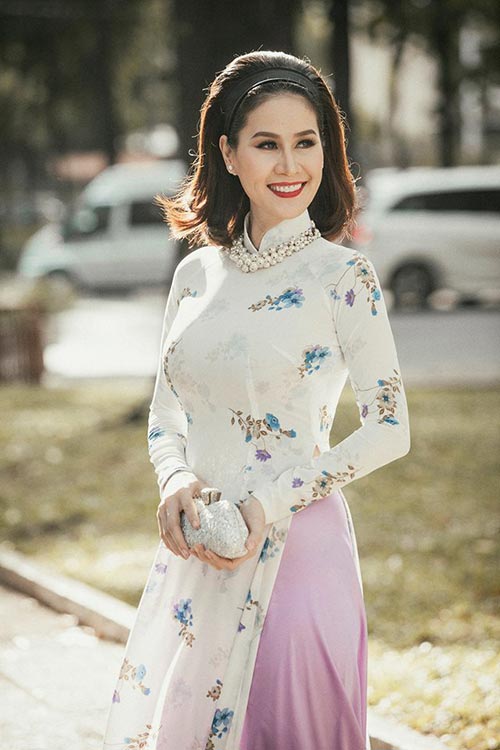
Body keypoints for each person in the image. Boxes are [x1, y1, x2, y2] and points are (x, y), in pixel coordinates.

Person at [102, 49, 410, 750]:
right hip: (200, 551)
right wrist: (174, 481)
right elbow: (165, 413)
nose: (290, 165)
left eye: (307, 142)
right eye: (267, 144)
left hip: (297, 548)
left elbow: (391, 428)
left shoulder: (344, 277)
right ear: (227, 153)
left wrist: (264, 505)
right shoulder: (194, 275)